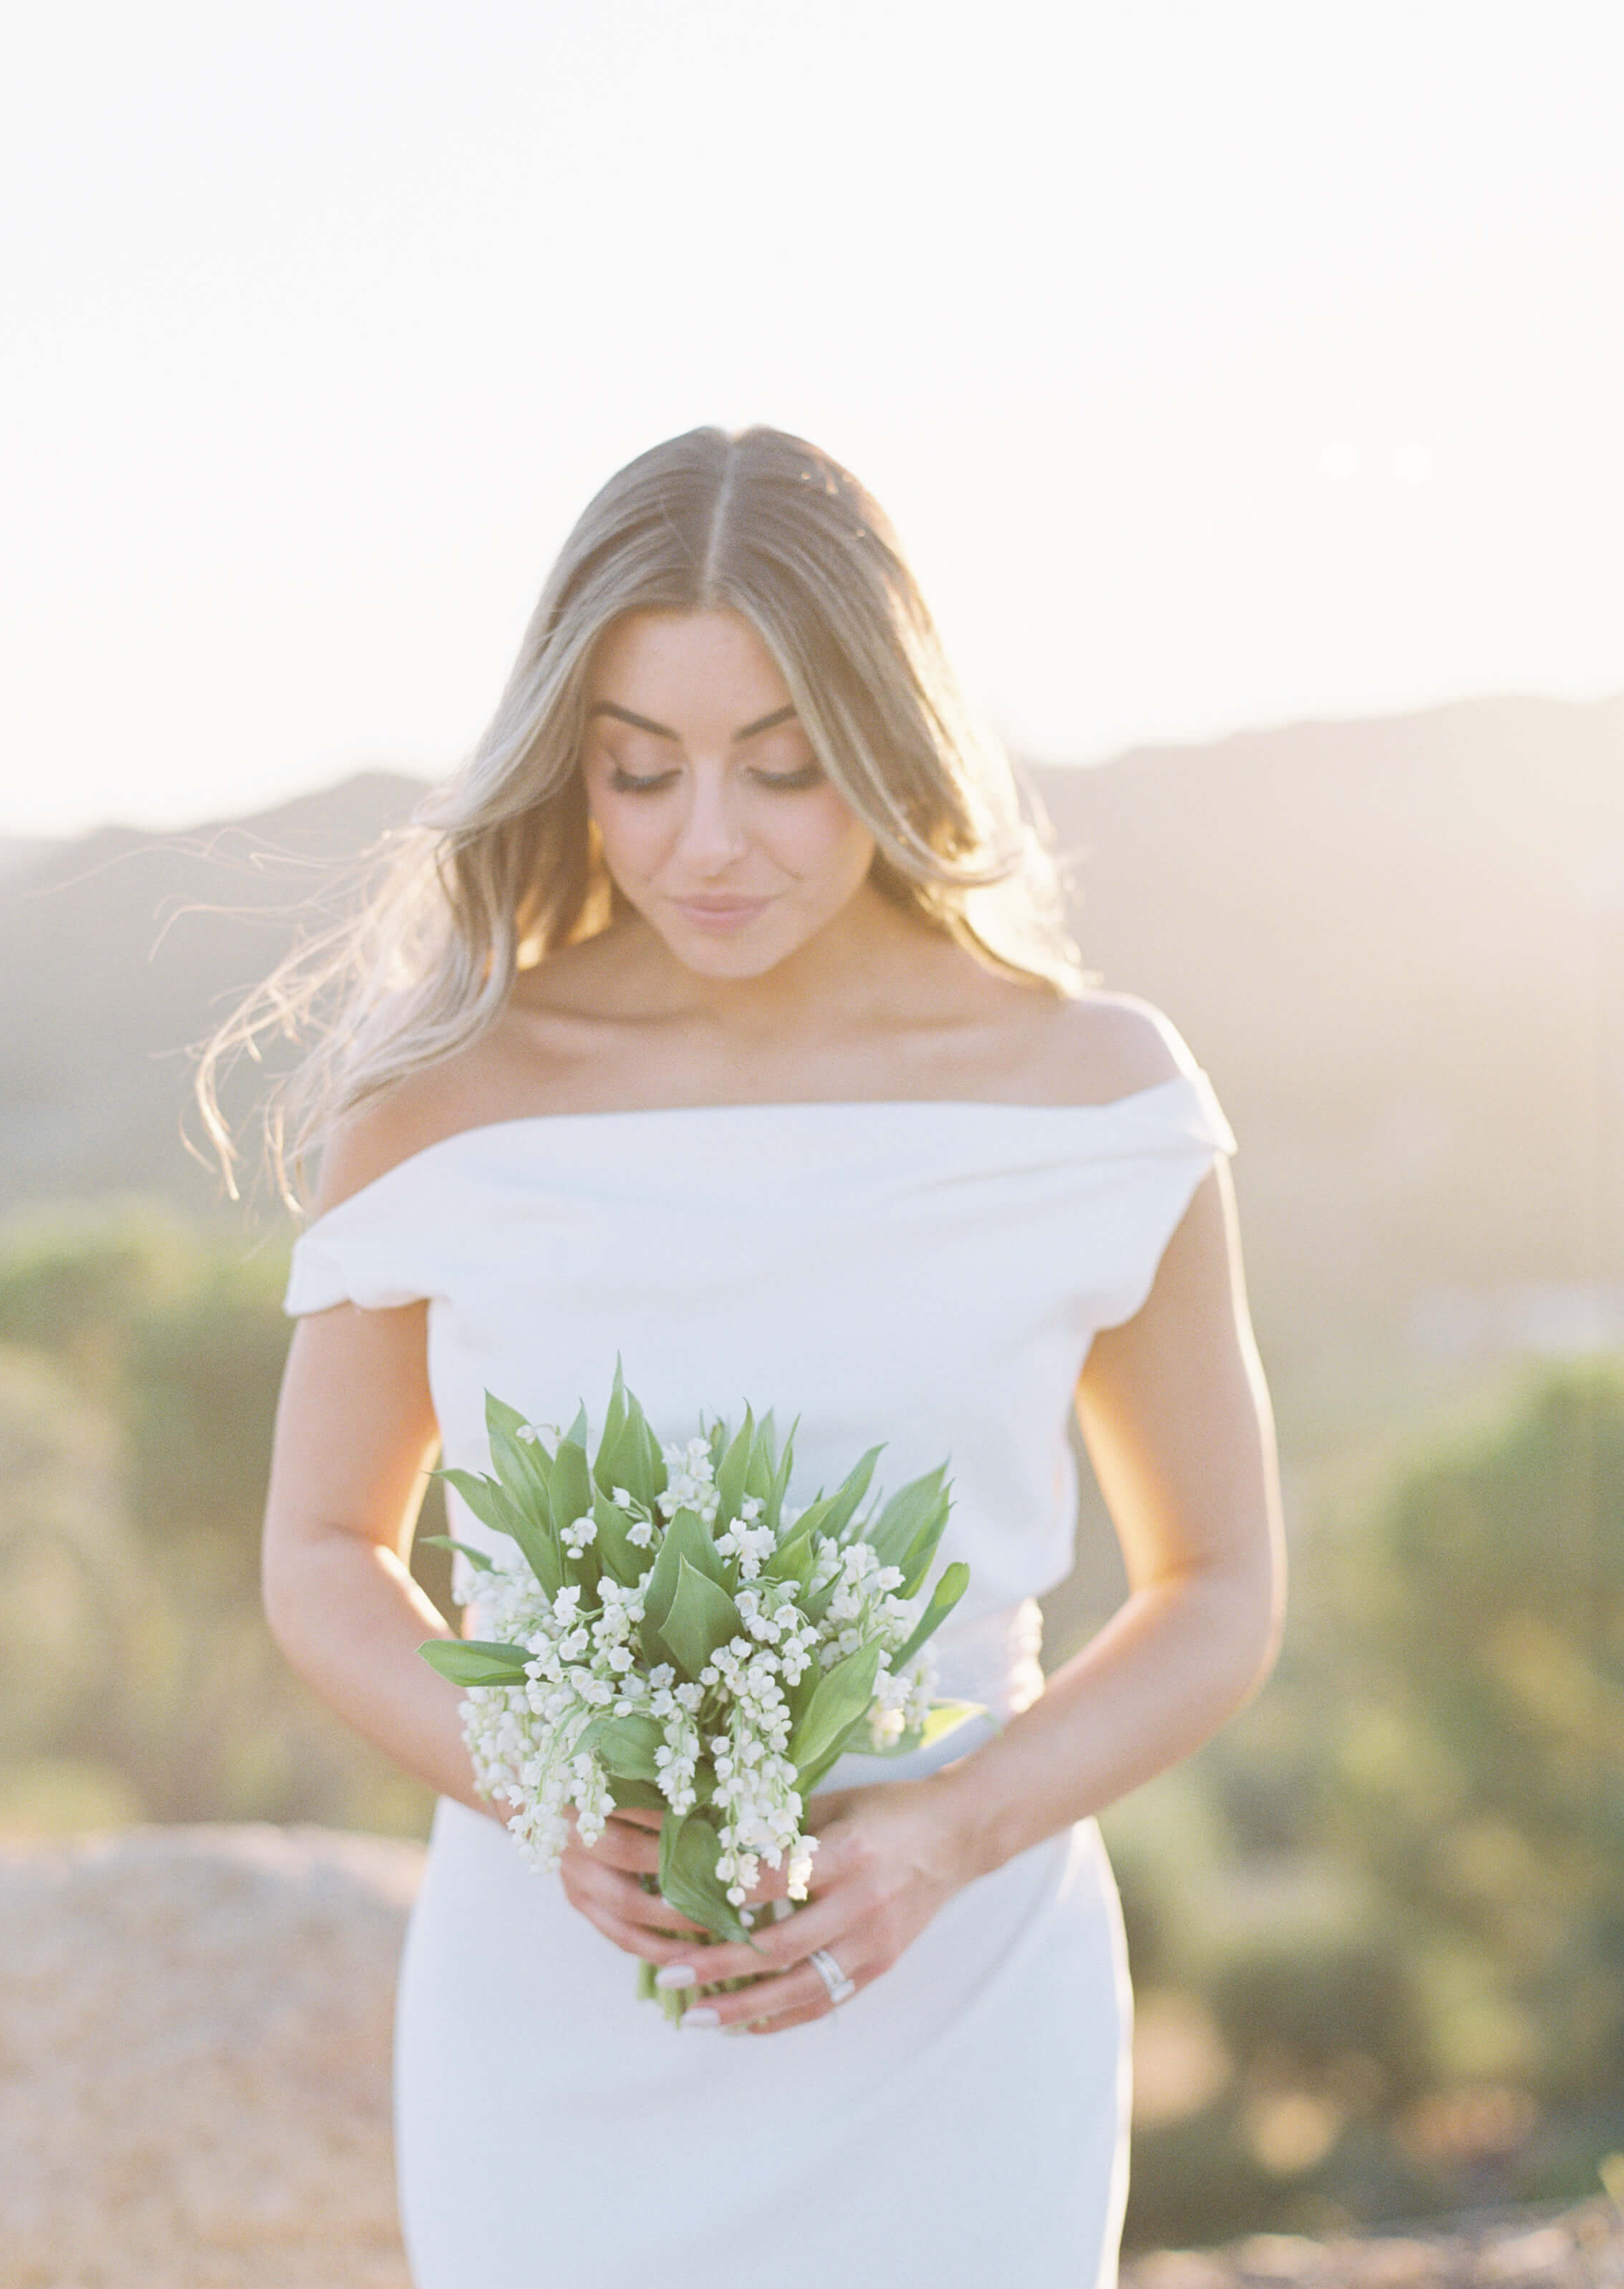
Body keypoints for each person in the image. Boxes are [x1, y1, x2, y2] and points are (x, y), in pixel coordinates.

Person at [207, 425, 1285, 2289]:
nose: (705, 843)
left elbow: (1219, 1587)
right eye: (639, 771)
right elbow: (321, 1555)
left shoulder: (1098, 1098)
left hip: (967, 2012)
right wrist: (537, 1782)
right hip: (555, 2021)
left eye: (783, 770)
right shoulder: (437, 1098)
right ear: (572, 765)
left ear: (890, 741)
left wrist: (953, 1833)